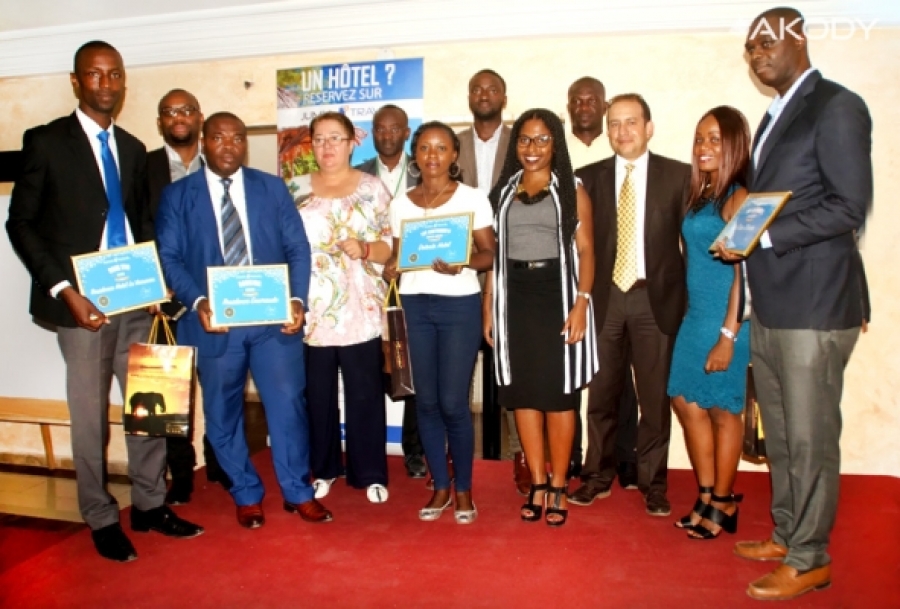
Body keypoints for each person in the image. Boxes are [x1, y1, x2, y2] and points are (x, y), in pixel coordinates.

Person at [6, 40, 203, 562]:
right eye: (94, 74)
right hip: (82, 307)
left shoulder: (134, 149)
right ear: (76, 81)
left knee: (151, 409)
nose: (106, 83)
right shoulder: (46, 142)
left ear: (123, 81)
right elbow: (20, 223)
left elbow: (140, 224)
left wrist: (158, 284)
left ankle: (150, 504)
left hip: (138, 300)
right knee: (90, 418)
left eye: (114, 74)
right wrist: (64, 290)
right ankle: (99, 516)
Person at [715, 7, 872, 601]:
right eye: (750, 47)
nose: (757, 54)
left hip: (815, 304)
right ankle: (787, 535)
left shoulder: (836, 106)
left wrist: (762, 236)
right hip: (775, 304)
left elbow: (848, 207)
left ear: (798, 38)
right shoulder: (774, 114)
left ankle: (810, 559)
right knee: (779, 434)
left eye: (767, 42)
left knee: (809, 438)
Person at [156, 111, 332, 529]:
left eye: (237, 138)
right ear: (204, 141)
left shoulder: (271, 188)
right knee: (222, 413)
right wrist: (198, 300)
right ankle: (246, 492)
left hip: (273, 323)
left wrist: (296, 299)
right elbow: (170, 257)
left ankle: (298, 491)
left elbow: (297, 247)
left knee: (288, 406)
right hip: (214, 325)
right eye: (219, 138)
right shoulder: (178, 196)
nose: (229, 146)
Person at [570, 94, 690, 517]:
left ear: (649, 127)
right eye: (615, 124)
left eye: (631, 122)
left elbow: (691, 244)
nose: (622, 131)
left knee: (654, 399)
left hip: (655, 301)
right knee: (601, 395)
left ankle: (653, 483)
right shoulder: (588, 178)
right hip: (605, 299)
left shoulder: (679, 176)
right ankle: (596, 477)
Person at [485, 108, 599, 526]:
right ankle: (536, 481)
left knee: (559, 395)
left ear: (556, 145)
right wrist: (488, 305)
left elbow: (587, 249)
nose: (532, 148)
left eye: (542, 139)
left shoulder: (571, 189)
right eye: (525, 139)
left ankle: (559, 485)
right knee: (523, 394)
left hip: (558, 295)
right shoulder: (503, 192)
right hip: (513, 298)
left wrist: (582, 302)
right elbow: (495, 254)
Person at [384, 121, 495, 524]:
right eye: (425, 148)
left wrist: (462, 264)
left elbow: (489, 255)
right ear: (415, 154)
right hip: (414, 306)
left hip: (458, 307)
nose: (433, 155)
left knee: (452, 403)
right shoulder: (401, 204)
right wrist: (391, 268)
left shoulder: (472, 198)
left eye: (441, 148)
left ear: (454, 154)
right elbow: (398, 257)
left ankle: (464, 488)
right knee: (426, 402)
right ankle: (441, 486)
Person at [297, 111, 392, 504]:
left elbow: (392, 245)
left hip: (361, 308)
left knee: (365, 394)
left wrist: (366, 248)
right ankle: (324, 469)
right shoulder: (295, 189)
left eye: (335, 138)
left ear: (353, 142)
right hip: (312, 312)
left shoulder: (373, 188)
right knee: (317, 397)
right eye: (319, 139)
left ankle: (370, 473)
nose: (327, 146)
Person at [668, 106, 751, 540]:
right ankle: (705, 494)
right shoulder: (701, 194)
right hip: (696, 315)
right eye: (700, 138)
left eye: (715, 139)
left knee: (723, 410)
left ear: (734, 145)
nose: (704, 146)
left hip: (727, 319)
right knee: (685, 401)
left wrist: (728, 336)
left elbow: (745, 275)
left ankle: (723, 501)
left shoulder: (739, 198)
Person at [146, 88, 231, 504]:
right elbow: (133, 228)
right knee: (170, 392)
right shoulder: (142, 167)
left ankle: (221, 462)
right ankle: (180, 473)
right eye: (169, 112)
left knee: (220, 387)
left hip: (213, 301)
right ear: (160, 122)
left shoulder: (221, 164)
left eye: (186, 110)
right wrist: (148, 284)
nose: (178, 117)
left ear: (199, 118)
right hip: (161, 303)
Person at [456, 69, 527, 494]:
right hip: (460, 266)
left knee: (512, 366)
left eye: (492, 89)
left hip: (512, 265)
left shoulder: (523, 140)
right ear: (469, 97)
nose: (484, 94)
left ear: (503, 96)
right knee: (457, 367)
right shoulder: (451, 144)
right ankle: (454, 454)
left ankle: (521, 453)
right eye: (476, 89)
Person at [566, 76, 638, 489]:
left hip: (622, 281)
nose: (584, 106)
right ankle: (576, 457)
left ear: (604, 106)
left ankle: (624, 458)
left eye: (591, 99)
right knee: (581, 379)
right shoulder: (562, 151)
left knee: (620, 380)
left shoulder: (621, 147)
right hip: (579, 282)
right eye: (577, 100)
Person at [354, 104, 426, 479]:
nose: (386, 135)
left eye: (394, 128)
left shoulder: (426, 170)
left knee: (413, 368)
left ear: (406, 132)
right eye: (380, 129)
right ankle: (369, 450)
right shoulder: (357, 175)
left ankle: (415, 450)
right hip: (367, 283)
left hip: (414, 282)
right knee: (371, 371)